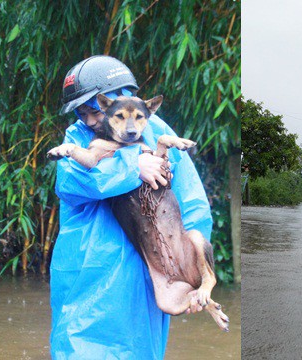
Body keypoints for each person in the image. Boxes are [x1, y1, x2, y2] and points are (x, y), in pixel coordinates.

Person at [49, 55, 213, 359]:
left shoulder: (156, 129)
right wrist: (132, 166)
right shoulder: (77, 137)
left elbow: (191, 207)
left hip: (145, 271)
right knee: (78, 346)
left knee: (138, 349)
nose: (88, 119)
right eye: (81, 112)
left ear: (120, 97)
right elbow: (72, 185)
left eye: (92, 110)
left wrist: (195, 276)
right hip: (87, 270)